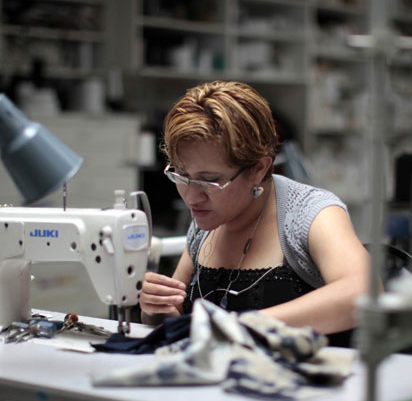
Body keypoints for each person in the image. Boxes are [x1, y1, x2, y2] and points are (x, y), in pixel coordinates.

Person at [139, 81, 370, 345]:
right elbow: (176, 316)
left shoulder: (312, 214)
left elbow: (362, 293)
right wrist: (156, 311)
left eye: (210, 180)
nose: (192, 196)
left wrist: (244, 326)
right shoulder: (206, 220)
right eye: (181, 174)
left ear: (259, 169)